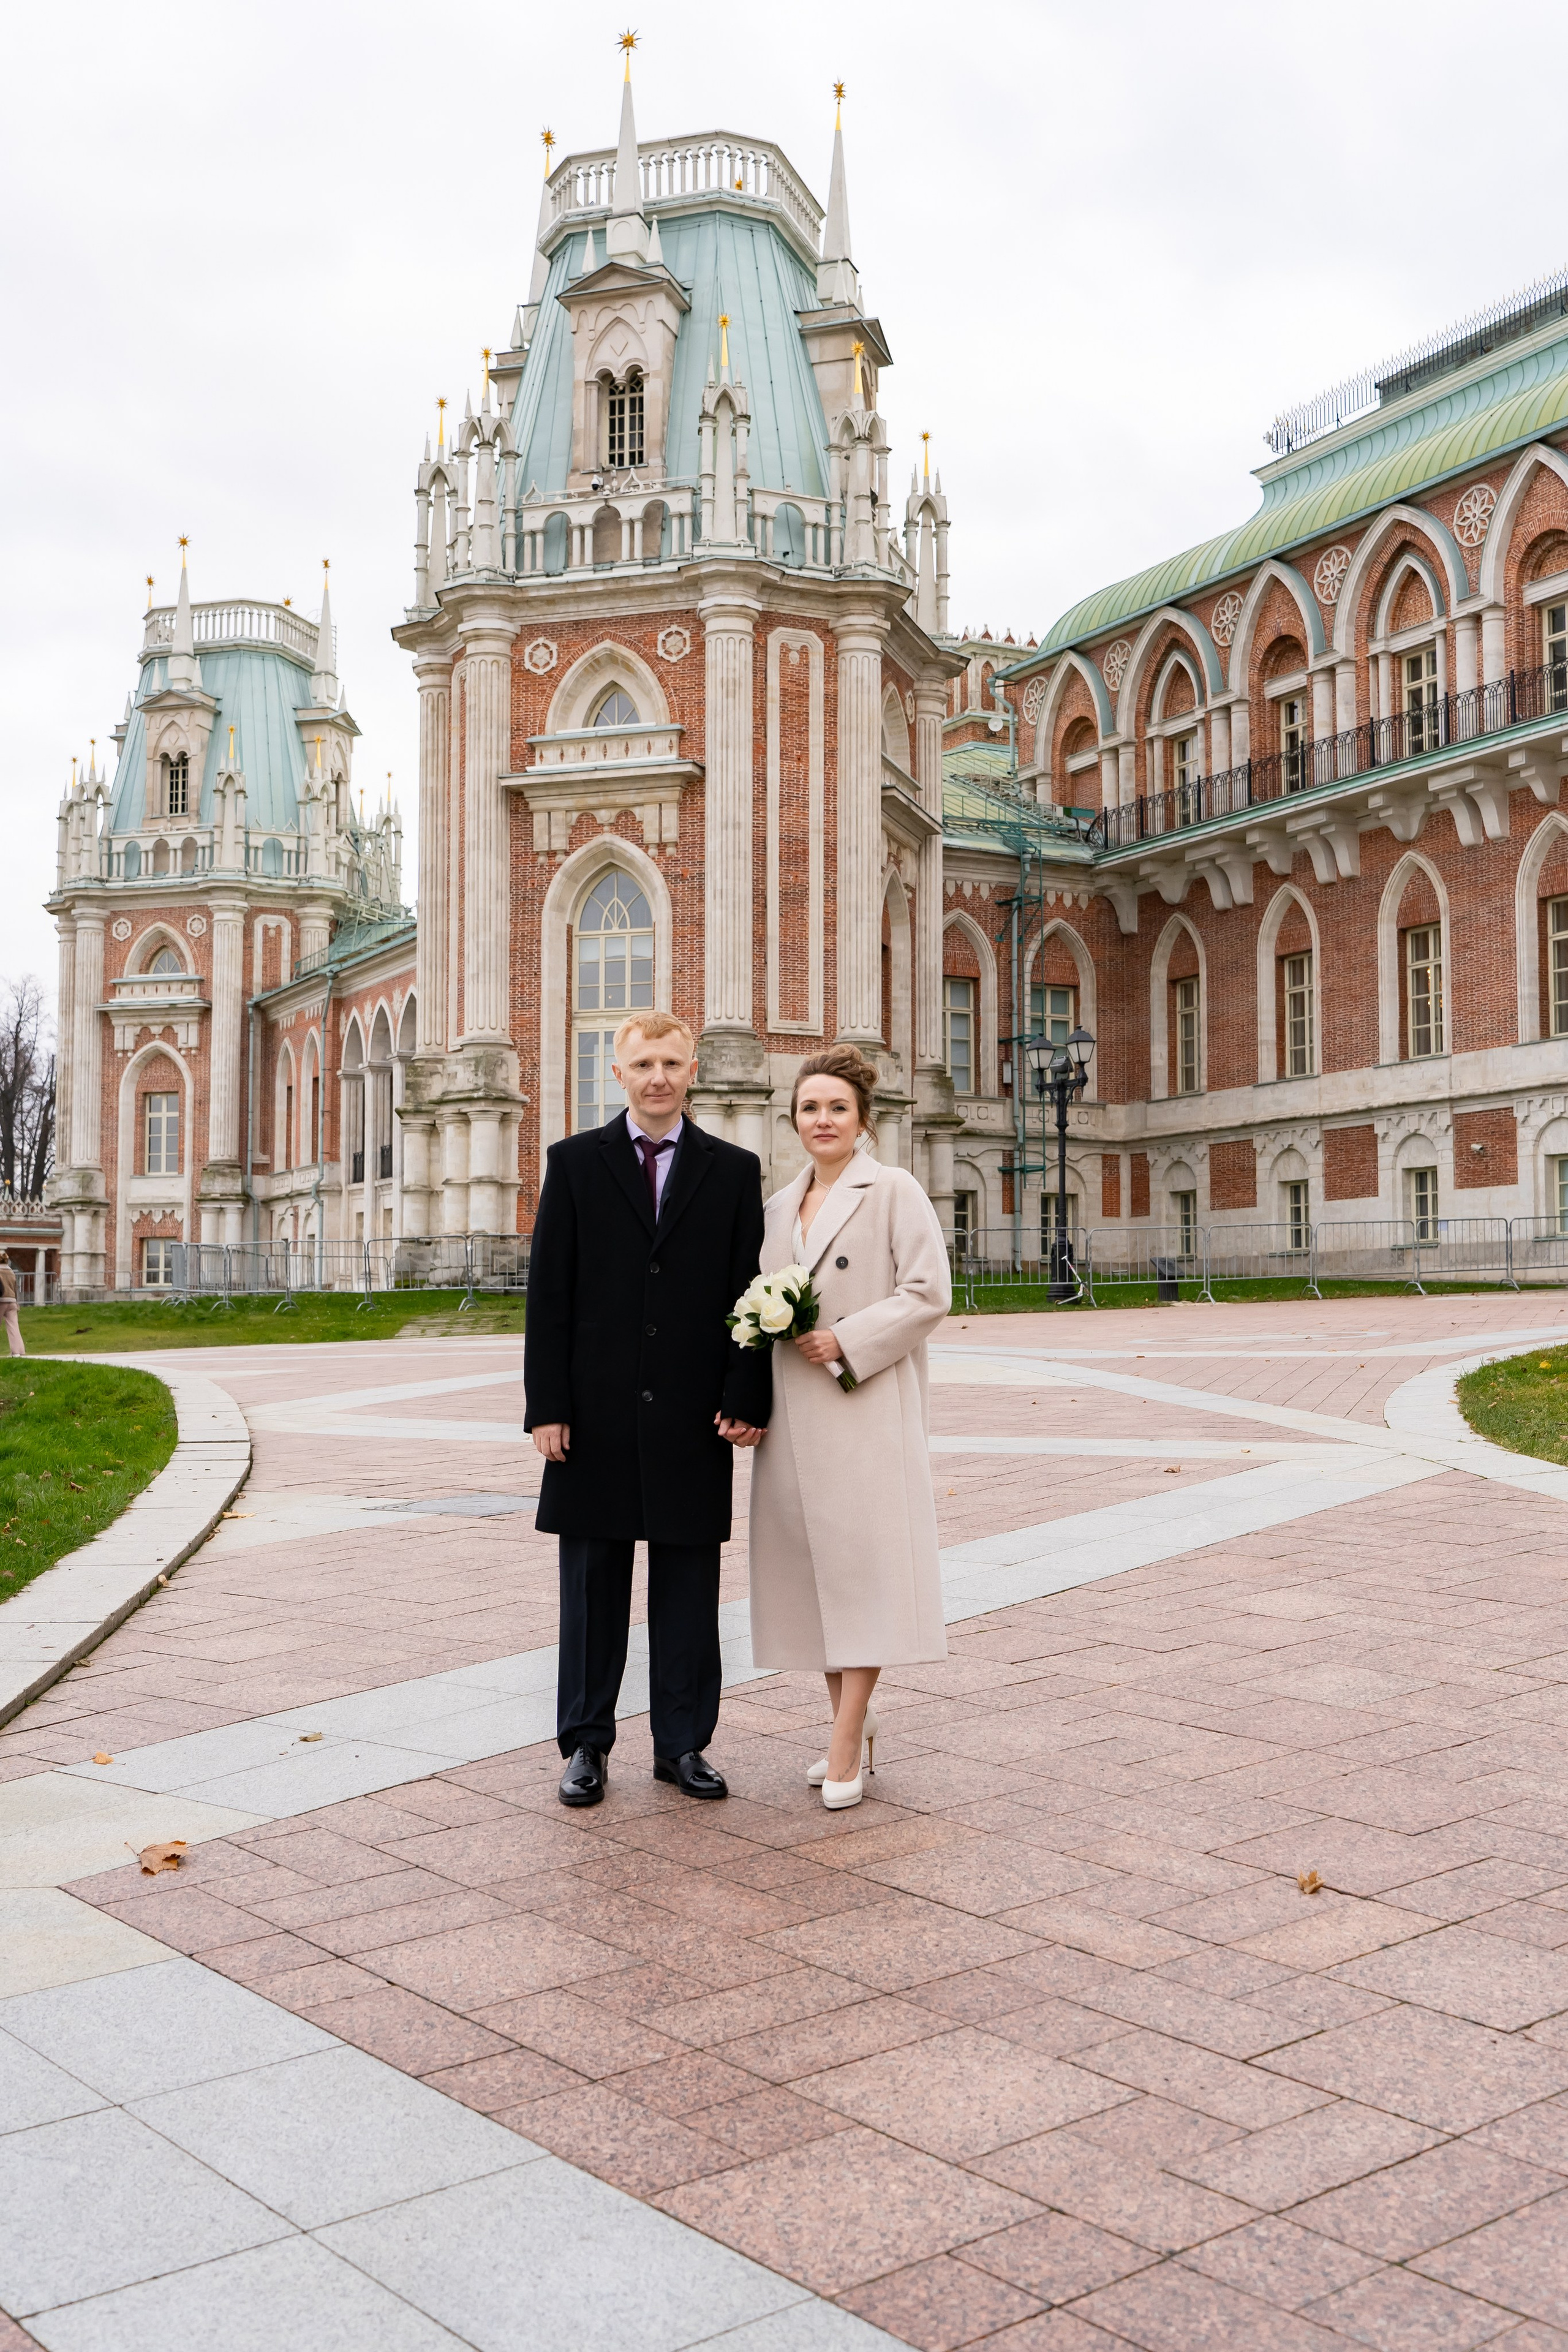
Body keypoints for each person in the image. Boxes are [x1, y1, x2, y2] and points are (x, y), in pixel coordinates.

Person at [524, 1011, 771, 1809]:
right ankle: (586, 1746)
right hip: (591, 1412)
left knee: (689, 1587)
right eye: (643, 1064)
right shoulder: (573, 1165)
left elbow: (747, 1294)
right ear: (618, 1073)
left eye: (671, 1062)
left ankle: (683, 1745)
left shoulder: (733, 1172)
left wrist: (744, 1394)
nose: (658, 1076)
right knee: (593, 1588)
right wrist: (547, 1407)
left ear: (692, 1069)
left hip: (693, 1413)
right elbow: (549, 1295)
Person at [747, 1045, 952, 1810]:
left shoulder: (893, 1189)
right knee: (818, 1579)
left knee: (862, 1575)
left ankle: (843, 1745)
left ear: (863, 1118)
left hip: (862, 1404)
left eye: (836, 1107)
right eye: (809, 1108)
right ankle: (848, 1722)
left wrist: (848, 1339)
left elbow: (929, 1292)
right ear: (793, 1119)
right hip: (794, 1417)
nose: (822, 1120)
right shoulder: (776, 1207)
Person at [0, 1250, 23, 1358]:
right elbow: (15, 1288)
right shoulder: (11, 1271)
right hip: (13, 1301)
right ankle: (17, 1352)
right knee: (14, 1326)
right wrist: (17, 1303)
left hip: (2, 1301)